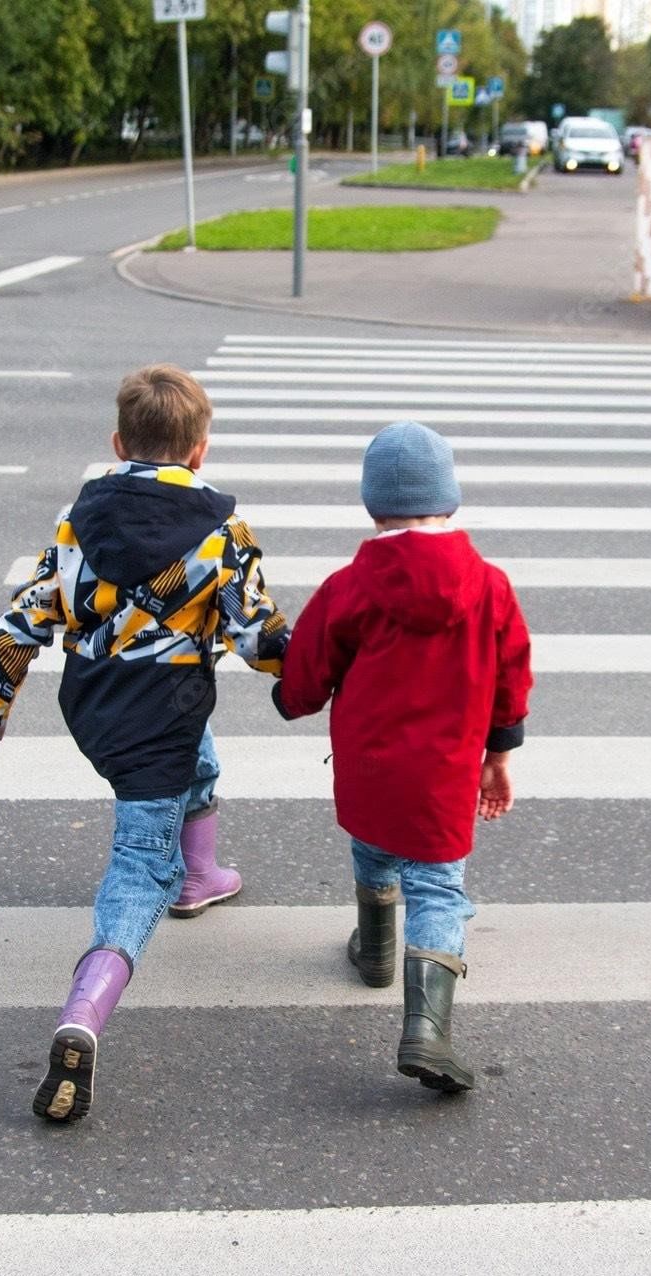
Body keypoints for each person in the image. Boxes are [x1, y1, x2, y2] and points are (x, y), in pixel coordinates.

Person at [0, 364, 290, 1124]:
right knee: (141, 862)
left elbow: (25, 619)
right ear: (201, 450)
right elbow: (257, 638)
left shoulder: (79, 520)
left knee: (195, 762)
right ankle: (83, 1013)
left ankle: (201, 875)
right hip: (159, 716)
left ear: (118, 443)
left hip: (93, 705)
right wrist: (328, 667)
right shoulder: (222, 535)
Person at [276, 421, 532, 1093]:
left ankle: (376, 950)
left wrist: (289, 694)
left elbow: (308, 669)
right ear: (450, 500)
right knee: (439, 887)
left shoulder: (350, 585)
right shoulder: (490, 586)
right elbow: (511, 677)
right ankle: (426, 1028)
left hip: (368, 768)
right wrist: (499, 753)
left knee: (374, 850)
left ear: (371, 505)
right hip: (443, 777)